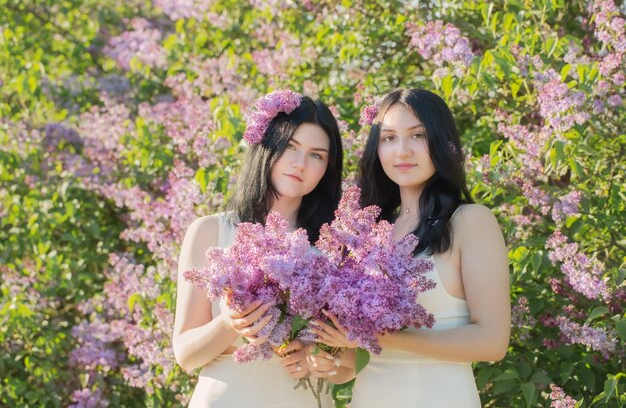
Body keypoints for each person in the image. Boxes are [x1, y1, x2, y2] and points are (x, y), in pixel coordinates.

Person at [307, 88, 510, 406]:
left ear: (443, 143)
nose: (401, 151)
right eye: (388, 138)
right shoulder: (368, 232)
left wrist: (380, 339)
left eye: (418, 136)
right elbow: (358, 359)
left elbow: (492, 342)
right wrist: (333, 360)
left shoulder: (470, 222)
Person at [172, 90, 342, 407]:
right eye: (291, 146)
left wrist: (317, 355)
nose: (301, 163)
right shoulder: (212, 230)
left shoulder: (333, 246)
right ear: (267, 145)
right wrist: (230, 323)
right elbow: (186, 354)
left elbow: (344, 364)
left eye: (317, 155)